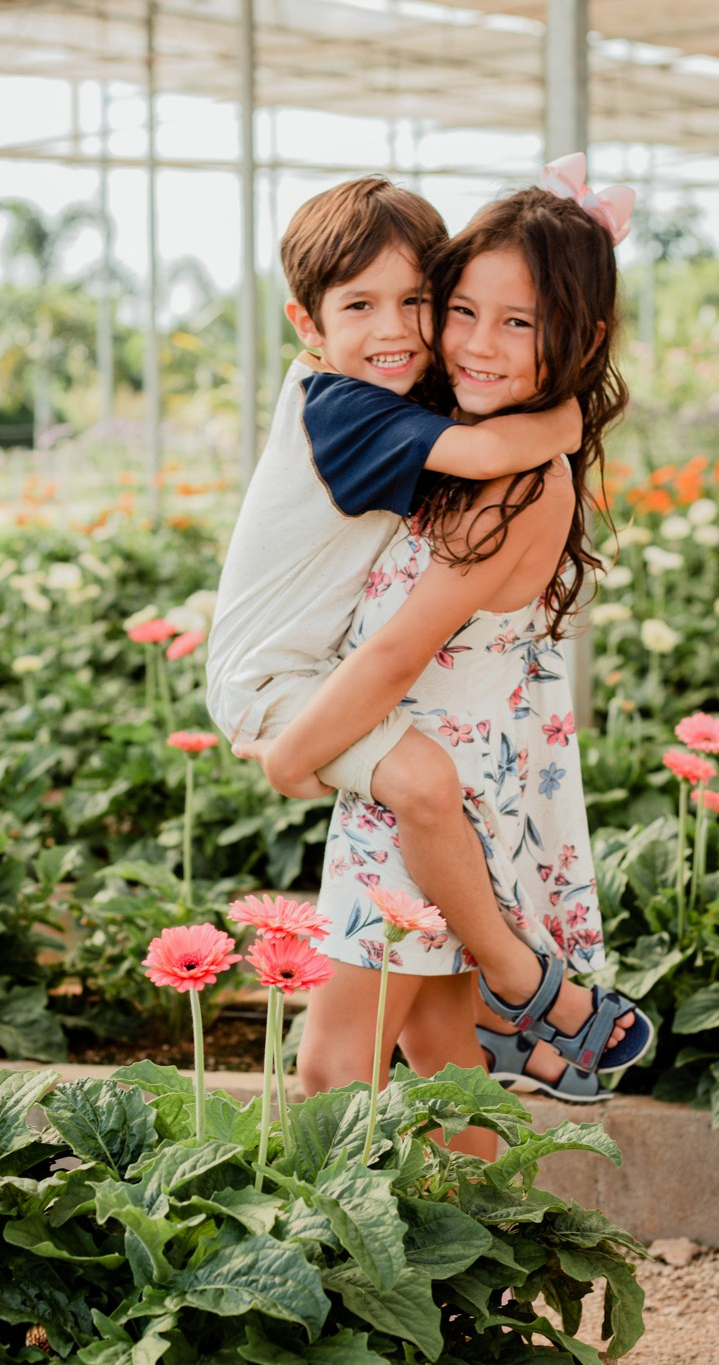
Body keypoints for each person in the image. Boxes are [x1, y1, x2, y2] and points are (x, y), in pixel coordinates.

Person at [237, 156, 651, 1154]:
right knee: (441, 1057)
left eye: (518, 323)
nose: (472, 343)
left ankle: (375, 1248)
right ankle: (490, 1236)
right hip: (426, 783)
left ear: (582, 337)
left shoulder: (515, 477)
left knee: (335, 1069)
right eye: (461, 310)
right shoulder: (460, 435)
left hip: (419, 791)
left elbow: (395, 652)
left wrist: (291, 756)